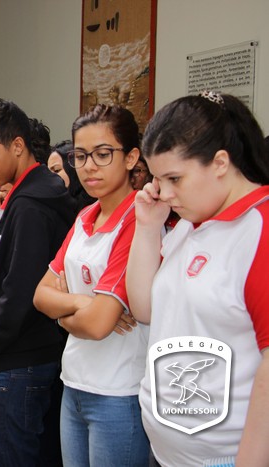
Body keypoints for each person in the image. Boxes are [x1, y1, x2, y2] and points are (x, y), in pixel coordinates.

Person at [128, 92, 269, 467]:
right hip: (168, 453)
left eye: (175, 178)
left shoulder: (259, 229)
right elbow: (145, 310)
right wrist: (147, 227)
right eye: (158, 179)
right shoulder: (189, 225)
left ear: (220, 162)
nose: (164, 193)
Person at [0, 98, 75, 466]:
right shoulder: (23, 195)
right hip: (15, 360)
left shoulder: (31, 204)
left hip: (16, 363)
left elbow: (19, 295)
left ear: (18, 145)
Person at [33, 104, 150, 467]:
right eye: (80, 156)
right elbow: (40, 295)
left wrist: (66, 304)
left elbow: (99, 325)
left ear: (131, 157)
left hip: (119, 391)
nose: (88, 166)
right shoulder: (86, 215)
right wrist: (85, 303)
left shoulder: (139, 219)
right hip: (74, 382)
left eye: (102, 154)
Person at [47, 140, 96, 212]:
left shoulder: (95, 205)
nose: (50, 177)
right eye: (48, 172)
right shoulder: (54, 207)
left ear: (73, 168)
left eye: (56, 170)